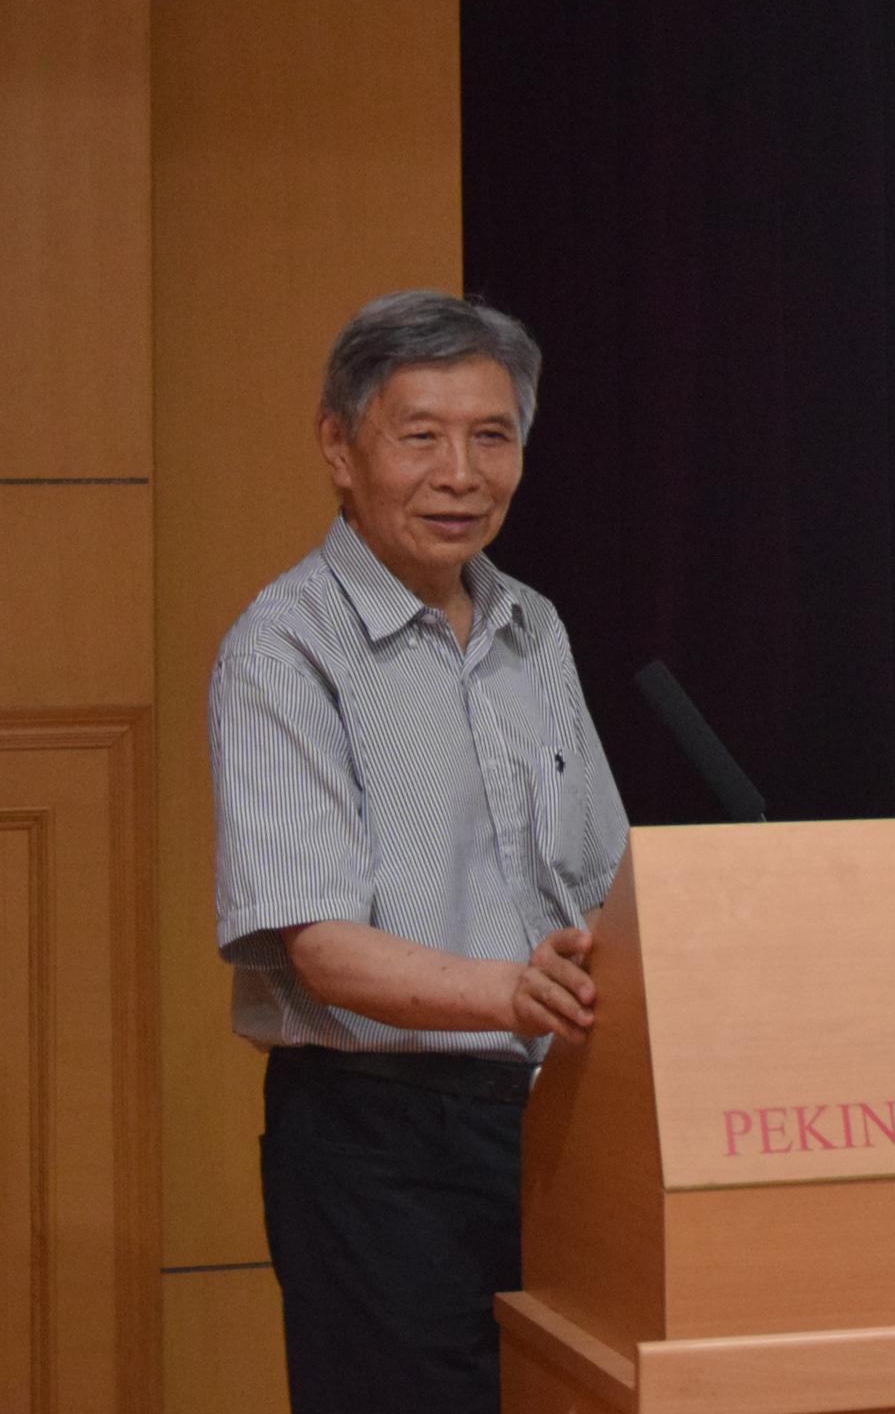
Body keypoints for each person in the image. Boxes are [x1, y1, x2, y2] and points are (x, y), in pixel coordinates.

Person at [210, 290, 629, 1414]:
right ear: (339, 448)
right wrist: (512, 991)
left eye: (492, 435)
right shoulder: (283, 647)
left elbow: (600, 879)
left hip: (561, 1128)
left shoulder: (534, 626)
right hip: (378, 1142)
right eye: (421, 436)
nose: (461, 474)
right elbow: (320, 946)